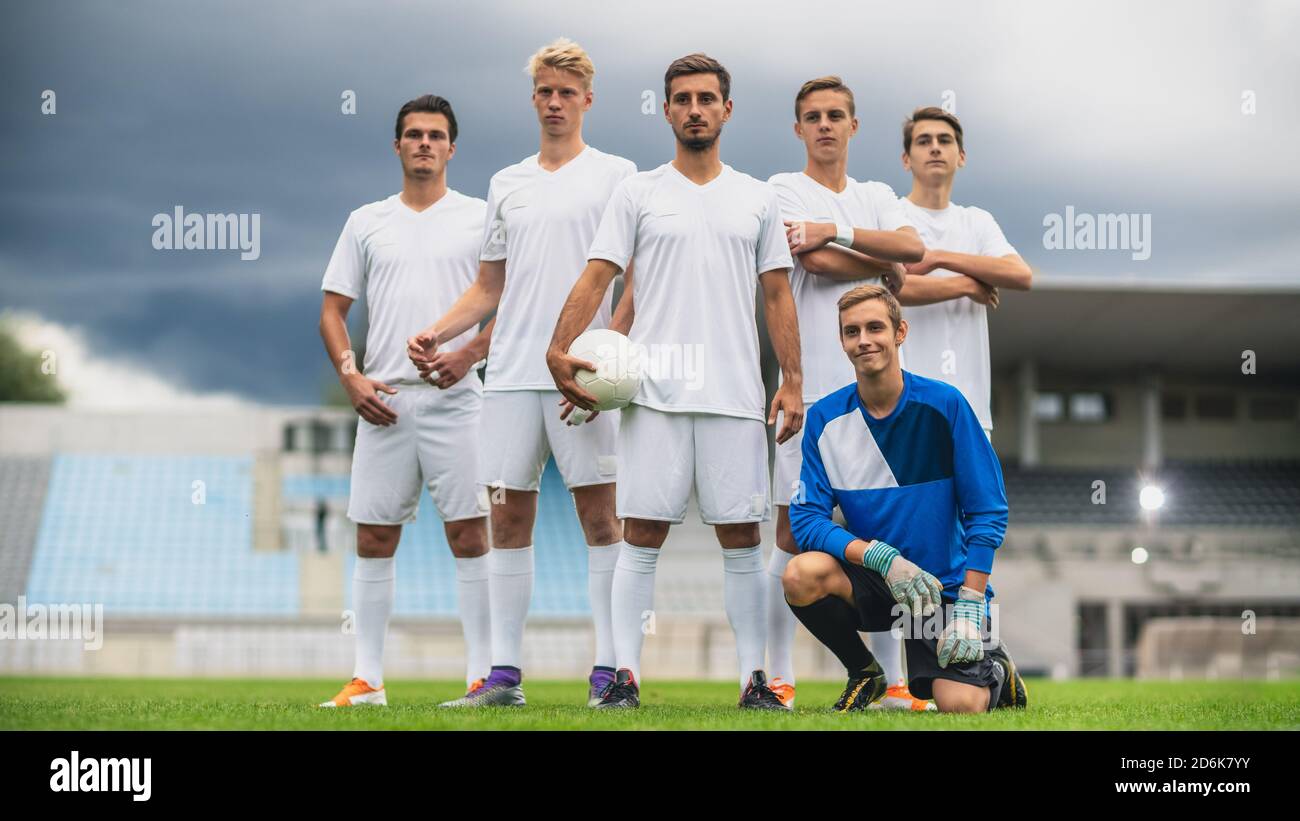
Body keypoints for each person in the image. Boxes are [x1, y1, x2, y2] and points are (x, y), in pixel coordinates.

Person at [547, 53, 803, 710]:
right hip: (652, 397)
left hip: (735, 397)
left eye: (706, 98)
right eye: (682, 98)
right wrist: (559, 348)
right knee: (641, 533)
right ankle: (623, 677)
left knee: (742, 537)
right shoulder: (637, 192)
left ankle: (755, 680)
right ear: (666, 111)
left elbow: (778, 293)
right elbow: (599, 275)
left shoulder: (757, 197)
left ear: (726, 109)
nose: (695, 108)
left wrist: (793, 379)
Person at [407, 39, 636, 707]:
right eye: (545, 91)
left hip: (583, 377)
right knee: (507, 518)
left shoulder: (618, 175)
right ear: (533, 97)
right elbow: (489, 287)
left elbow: (637, 279)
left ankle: (610, 674)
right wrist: (439, 330)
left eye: (567, 91)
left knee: (601, 518)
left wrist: (610, 360)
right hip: (507, 377)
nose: (555, 102)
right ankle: (502, 676)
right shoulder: (507, 184)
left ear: (587, 99)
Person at [318, 95, 491, 707]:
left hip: (458, 399)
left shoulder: (480, 216)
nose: (424, 143)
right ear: (397, 146)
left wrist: (468, 354)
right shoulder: (367, 221)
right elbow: (333, 311)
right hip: (384, 400)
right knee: (373, 538)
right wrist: (351, 376)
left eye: (436, 135)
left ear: (451, 147)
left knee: (470, 535)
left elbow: (512, 302)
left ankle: (481, 678)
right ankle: (368, 679)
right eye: (413, 134)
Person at [766, 76, 930, 710]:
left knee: (881, 533)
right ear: (798, 127)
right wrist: (881, 261)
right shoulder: (781, 189)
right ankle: (776, 679)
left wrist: (836, 230)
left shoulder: (877, 194)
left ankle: (892, 685)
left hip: (877, 401)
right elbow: (813, 264)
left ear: (854, 126)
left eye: (836, 115)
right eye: (813, 116)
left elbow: (912, 249)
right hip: (805, 390)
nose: (825, 125)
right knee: (787, 533)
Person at [785, 284, 1027, 712]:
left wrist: (971, 603)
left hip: (943, 589)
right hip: (880, 579)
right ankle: (865, 672)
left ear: (900, 332)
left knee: (961, 705)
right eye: (851, 331)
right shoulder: (824, 419)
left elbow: (988, 511)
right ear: (842, 342)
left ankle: (997, 667)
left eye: (875, 327)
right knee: (800, 575)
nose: (864, 340)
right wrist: (880, 557)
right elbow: (805, 522)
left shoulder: (945, 404)